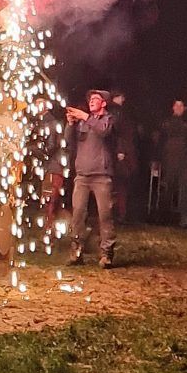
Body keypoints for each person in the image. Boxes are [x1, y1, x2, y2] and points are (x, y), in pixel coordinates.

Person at [65, 89, 116, 268]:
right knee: (78, 214)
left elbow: (103, 131)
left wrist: (85, 117)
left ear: (104, 103)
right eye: (90, 99)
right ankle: (76, 250)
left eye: (96, 99)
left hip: (102, 176)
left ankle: (106, 252)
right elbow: (68, 142)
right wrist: (70, 124)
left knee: (105, 215)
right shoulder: (83, 123)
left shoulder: (108, 120)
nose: (92, 101)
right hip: (82, 175)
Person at [157, 99, 187, 228]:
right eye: (176, 105)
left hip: (184, 162)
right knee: (168, 188)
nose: (178, 108)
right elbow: (161, 142)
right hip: (170, 160)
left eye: (181, 106)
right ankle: (163, 217)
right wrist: (158, 159)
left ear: (185, 108)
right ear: (173, 107)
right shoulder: (166, 124)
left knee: (184, 189)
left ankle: (184, 219)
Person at [110, 91, 138, 224]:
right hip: (119, 153)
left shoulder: (115, 112)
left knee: (117, 185)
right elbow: (120, 133)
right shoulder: (118, 113)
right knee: (120, 186)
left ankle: (118, 213)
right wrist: (121, 150)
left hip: (117, 152)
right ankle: (120, 213)